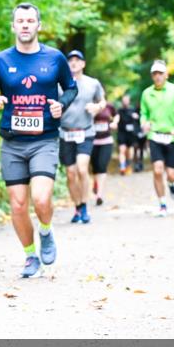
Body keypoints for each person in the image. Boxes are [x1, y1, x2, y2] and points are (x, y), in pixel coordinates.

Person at [0, 3, 77, 278]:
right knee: (18, 205)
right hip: (12, 143)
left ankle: (45, 231)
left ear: (38, 25)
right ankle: (31, 256)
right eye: (20, 20)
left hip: (44, 140)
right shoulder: (1, 61)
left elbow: (71, 88)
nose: (25, 25)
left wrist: (61, 104)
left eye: (30, 20)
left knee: (41, 199)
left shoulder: (55, 58)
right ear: (13, 26)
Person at [59, 50, 105, 224]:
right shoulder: (59, 84)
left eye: (77, 60)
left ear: (83, 64)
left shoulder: (93, 83)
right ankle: (77, 207)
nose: (74, 63)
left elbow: (102, 101)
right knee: (70, 173)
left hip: (85, 131)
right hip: (65, 132)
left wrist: (97, 107)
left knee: (82, 169)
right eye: (70, 60)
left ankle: (85, 206)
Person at [140, 60, 174, 217]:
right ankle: (162, 204)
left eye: (160, 73)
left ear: (166, 75)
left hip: (173, 137)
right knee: (157, 170)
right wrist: (144, 123)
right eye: (154, 74)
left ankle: (171, 183)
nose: (158, 76)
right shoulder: (146, 93)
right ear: (152, 76)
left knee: (171, 174)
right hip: (155, 136)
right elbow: (143, 113)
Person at [91, 100, 117, 205]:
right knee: (95, 167)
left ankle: (99, 195)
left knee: (102, 166)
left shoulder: (109, 106)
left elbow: (116, 115)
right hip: (92, 142)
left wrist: (114, 123)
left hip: (106, 141)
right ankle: (95, 182)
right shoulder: (89, 105)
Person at [116, 94, 139, 175]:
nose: (125, 101)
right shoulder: (119, 110)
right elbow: (116, 118)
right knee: (122, 150)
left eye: (126, 100)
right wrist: (115, 122)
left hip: (130, 134)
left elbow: (138, 119)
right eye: (124, 100)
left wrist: (136, 116)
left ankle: (128, 165)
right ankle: (122, 167)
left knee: (130, 151)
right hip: (122, 133)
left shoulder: (133, 110)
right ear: (122, 101)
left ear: (129, 101)